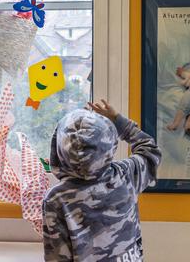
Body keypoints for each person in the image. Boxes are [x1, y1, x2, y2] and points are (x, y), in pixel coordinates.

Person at [43, 100, 161, 262]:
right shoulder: (125, 174)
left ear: (59, 150)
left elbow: (57, 256)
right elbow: (149, 150)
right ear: (109, 143)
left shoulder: (56, 198)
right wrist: (118, 121)